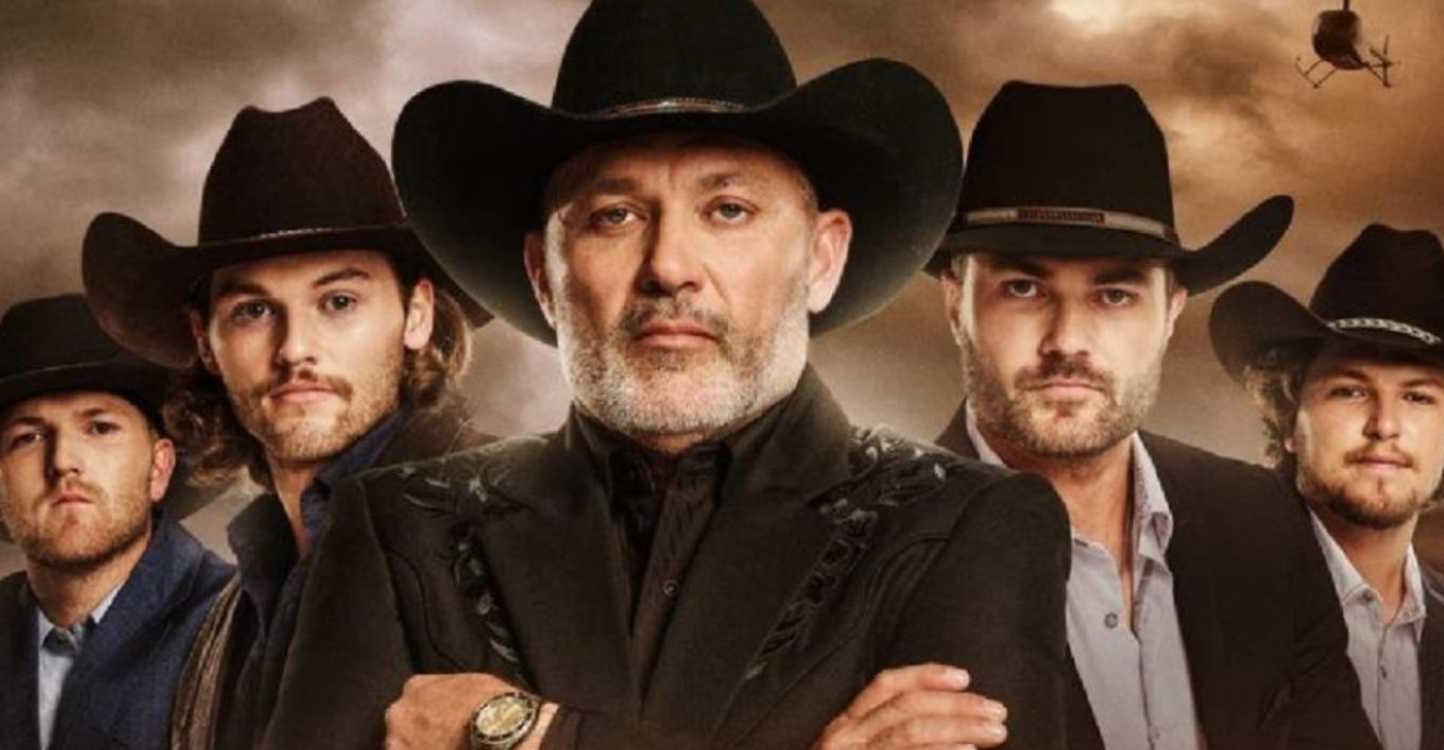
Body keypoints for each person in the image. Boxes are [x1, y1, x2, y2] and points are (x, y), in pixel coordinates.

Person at [267, 1, 1072, 748]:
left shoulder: (967, 522)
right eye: (614, 216)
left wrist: (524, 733)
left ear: (822, 259)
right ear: (543, 275)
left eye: (727, 210)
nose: (669, 266)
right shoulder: (399, 524)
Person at [931, 80, 1379, 749]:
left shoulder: (1264, 524)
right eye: (1022, 288)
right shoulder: (872, 558)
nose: (1068, 340)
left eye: (1114, 295)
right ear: (955, 301)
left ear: (1171, 312)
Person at [79, 97, 491, 749]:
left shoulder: (518, 522)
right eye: (252, 312)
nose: (296, 346)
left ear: (417, 315)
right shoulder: (229, 611)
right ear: (205, 341)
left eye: (338, 301)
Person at [0, 294, 231, 749]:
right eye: (29, 438)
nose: (63, 463)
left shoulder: (246, 624)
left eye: (100, 428)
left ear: (159, 468)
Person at [1210, 223, 1444, 750]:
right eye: (1350, 391)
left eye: (1418, 397)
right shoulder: (1201, 603)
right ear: (1290, 417)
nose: (1384, 424)